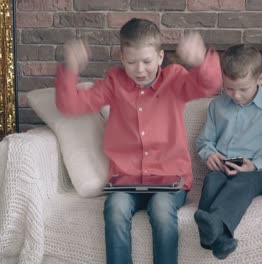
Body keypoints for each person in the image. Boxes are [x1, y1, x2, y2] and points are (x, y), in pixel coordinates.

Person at [55, 18, 222, 264]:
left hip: (170, 178)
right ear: (122, 58)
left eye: (147, 61)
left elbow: (209, 84)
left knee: (162, 212)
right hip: (126, 180)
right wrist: (70, 68)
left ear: (160, 56)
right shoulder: (114, 82)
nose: (140, 69)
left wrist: (200, 60)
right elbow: (70, 104)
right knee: (115, 210)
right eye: (132, 62)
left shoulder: (175, 79)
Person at [194, 44, 262, 260]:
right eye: (228, 88)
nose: (235, 95)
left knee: (240, 184)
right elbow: (204, 140)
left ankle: (213, 230)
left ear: (260, 79)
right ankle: (222, 240)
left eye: (243, 89)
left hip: (254, 170)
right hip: (223, 166)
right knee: (212, 183)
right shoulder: (217, 106)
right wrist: (210, 154)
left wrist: (253, 165)